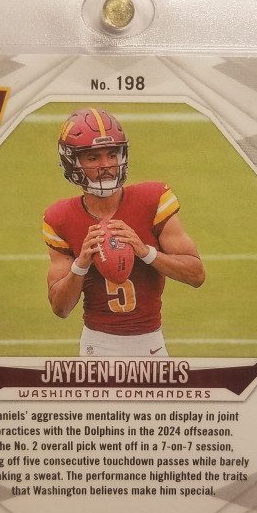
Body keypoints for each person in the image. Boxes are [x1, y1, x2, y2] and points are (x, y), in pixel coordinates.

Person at [42, 107, 205, 357]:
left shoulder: (153, 199)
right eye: (93, 158)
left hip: (151, 343)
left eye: (112, 154)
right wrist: (81, 264)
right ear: (72, 162)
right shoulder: (60, 217)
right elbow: (60, 308)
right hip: (97, 345)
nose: (106, 165)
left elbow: (196, 275)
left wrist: (146, 252)